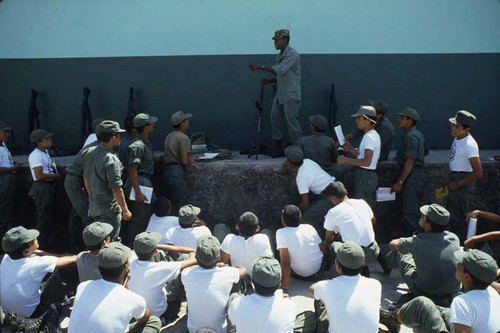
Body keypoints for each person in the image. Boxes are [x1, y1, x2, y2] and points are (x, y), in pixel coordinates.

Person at [380, 249, 500, 333]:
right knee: (447, 311)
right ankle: (394, 319)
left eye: (460, 265)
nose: (457, 264)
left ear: (467, 277)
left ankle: (393, 320)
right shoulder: (492, 293)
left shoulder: (463, 302)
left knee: (422, 304)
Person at [68, 242, 161, 333]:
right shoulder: (133, 299)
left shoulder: (83, 286)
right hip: (136, 305)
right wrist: (126, 285)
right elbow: (144, 318)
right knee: (154, 321)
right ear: (126, 266)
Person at [386, 204, 461, 308]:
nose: (420, 218)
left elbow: (392, 245)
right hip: (451, 293)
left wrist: (403, 240)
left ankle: (386, 266)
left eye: (422, 217)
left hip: (424, 291)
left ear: (427, 226)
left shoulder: (417, 242)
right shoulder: (454, 238)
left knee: (400, 252)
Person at [0, 226, 76, 317]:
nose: (35, 238)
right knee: (64, 269)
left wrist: (39, 252)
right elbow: (74, 260)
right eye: (32, 240)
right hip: (33, 314)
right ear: (26, 251)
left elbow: (29, 254)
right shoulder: (36, 263)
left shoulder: (6, 258)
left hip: (8, 313)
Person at [248, 29, 302, 152]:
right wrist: (270, 81)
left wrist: (260, 67)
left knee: (291, 121)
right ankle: (278, 144)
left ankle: (298, 147)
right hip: (281, 93)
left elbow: (280, 70)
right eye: (275, 40)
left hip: (291, 93)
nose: (275, 43)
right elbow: (281, 75)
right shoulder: (280, 56)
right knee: (275, 118)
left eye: (277, 40)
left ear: (286, 40)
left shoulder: (292, 54)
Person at [310, 241, 382, 333]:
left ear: (337, 266)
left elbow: (312, 289)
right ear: (363, 264)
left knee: (320, 299)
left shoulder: (327, 286)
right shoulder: (375, 285)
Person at [181, 235, 247, 333]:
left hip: (192, 329)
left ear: (196, 257)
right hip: (220, 330)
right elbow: (243, 270)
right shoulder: (228, 273)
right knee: (236, 287)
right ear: (219, 257)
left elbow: (190, 269)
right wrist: (224, 266)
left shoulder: (186, 273)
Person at [128, 232, 197, 320]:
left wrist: (154, 247)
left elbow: (134, 251)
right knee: (183, 258)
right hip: (163, 312)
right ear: (155, 250)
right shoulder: (160, 268)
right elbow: (193, 259)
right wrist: (190, 251)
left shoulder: (130, 261)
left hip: (137, 313)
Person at [82, 120, 131, 241]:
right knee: (111, 242)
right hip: (109, 208)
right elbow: (116, 188)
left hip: (94, 205)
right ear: (113, 137)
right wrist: (125, 210)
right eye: (119, 135)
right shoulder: (111, 159)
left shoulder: (88, 152)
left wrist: (91, 196)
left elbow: (86, 177)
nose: (120, 137)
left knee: (99, 241)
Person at [322, 181, 383, 276]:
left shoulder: (333, 212)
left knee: (327, 245)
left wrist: (337, 237)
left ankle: (328, 271)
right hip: (374, 251)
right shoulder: (362, 202)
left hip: (356, 257)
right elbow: (373, 221)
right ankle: (386, 266)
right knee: (368, 240)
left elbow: (328, 238)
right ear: (345, 192)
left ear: (333, 197)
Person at [228, 257, 297, 333]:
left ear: (252, 281)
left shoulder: (237, 303)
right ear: (279, 283)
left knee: (233, 296)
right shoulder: (290, 305)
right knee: (307, 316)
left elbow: (236, 326)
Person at [284, 145, 335, 238]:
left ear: (289, 163)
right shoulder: (308, 162)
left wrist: (292, 213)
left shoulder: (301, 177)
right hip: (334, 187)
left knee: (304, 220)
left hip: (329, 197)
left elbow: (305, 204)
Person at [390, 107, 428, 234]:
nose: (399, 120)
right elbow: (425, 152)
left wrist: (400, 182)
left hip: (412, 177)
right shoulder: (417, 134)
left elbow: (410, 161)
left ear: (410, 120)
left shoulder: (411, 137)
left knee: (409, 213)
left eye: (402, 118)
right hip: (414, 175)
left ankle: (417, 241)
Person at [447, 110, 483, 243]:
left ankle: (462, 245)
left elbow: (478, 172)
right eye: (452, 124)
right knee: (452, 215)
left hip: (462, 182)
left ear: (466, 129)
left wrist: (458, 184)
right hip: (454, 178)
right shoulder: (457, 138)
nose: (452, 127)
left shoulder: (470, 145)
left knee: (460, 218)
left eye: (456, 126)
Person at [125, 113, 159, 244]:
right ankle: (135, 248)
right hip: (140, 182)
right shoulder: (138, 146)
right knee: (140, 219)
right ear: (145, 127)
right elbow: (132, 169)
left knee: (144, 217)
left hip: (144, 181)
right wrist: (138, 192)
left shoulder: (145, 143)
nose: (153, 125)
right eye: (151, 123)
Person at [337, 106, 381, 208]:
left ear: (368, 120)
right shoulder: (371, 135)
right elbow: (361, 156)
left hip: (365, 177)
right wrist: (350, 148)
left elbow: (366, 162)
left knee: (362, 209)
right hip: (365, 176)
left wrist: (345, 159)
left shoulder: (369, 137)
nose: (357, 121)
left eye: (360, 119)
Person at [65, 128, 100, 251]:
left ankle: (74, 246)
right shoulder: (93, 149)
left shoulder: (93, 145)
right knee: (87, 215)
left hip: (76, 181)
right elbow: (86, 174)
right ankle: (90, 249)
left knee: (77, 213)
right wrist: (90, 195)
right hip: (76, 182)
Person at [276, 205, 326, 292]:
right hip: (318, 273)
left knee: (281, 252)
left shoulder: (281, 233)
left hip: (299, 274)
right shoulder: (309, 227)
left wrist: (284, 288)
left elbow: (285, 263)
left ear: (283, 221)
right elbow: (324, 250)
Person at [163, 110, 202, 214]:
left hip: (166, 172)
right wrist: (196, 158)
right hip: (176, 173)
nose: (188, 122)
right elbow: (185, 161)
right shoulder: (184, 138)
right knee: (179, 206)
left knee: (169, 205)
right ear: (182, 123)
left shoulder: (169, 136)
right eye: (186, 120)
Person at [28, 128, 61, 249]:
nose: (50, 140)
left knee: (49, 218)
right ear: (39, 142)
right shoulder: (36, 155)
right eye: (46, 139)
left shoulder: (45, 152)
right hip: (42, 188)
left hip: (48, 187)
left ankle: (50, 245)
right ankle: (41, 247)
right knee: (43, 220)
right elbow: (39, 175)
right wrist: (55, 175)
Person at [217, 212, 273, 278]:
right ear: (257, 228)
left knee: (220, 227)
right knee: (266, 231)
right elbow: (267, 262)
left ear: (237, 227)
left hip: (238, 279)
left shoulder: (229, 239)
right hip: (257, 280)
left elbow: (223, 262)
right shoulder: (263, 238)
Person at [0, 121, 20, 239]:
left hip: (10, 178)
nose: (7, 135)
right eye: (4, 132)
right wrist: (13, 168)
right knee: (4, 212)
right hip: (3, 180)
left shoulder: (3, 145)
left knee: (10, 211)